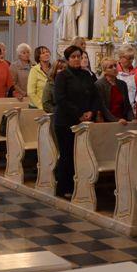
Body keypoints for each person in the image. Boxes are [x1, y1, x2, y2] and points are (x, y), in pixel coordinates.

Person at [53, 46, 101, 198]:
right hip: (66, 121)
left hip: (84, 122)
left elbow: (95, 96)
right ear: (67, 59)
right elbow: (61, 99)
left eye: (79, 56)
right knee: (67, 154)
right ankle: (64, 187)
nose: (76, 59)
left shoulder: (87, 75)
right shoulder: (62, 76)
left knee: (81, 154)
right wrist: (79, 114)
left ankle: (80, 185)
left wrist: (91, 112)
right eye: (73, 57)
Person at [95, 57, 135, 123]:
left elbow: (127, 105)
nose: (114, 68)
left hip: (123, 120)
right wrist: (116, 120)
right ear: (105, 70)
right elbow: (102, 107)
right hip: (107, 121)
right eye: (110, 67)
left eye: (115, 66)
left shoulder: (122, 84)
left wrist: (132, 119)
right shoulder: (99, 84)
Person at [116, 45, 137, 111]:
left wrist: (136, 101)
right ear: (120, 57)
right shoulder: (114, 71)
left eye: (132, 58)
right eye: (128, 58)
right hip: (118, 107)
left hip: (132, 107)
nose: (130, 61)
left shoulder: (136, 72)